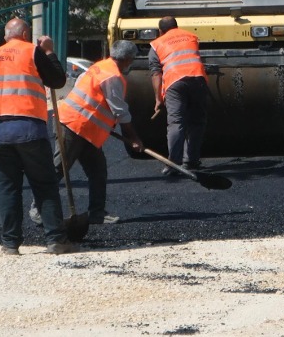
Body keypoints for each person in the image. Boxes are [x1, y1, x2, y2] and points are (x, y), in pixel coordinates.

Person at [0, 17, 69, 254]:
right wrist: (49, 52)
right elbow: (57, 80)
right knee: (44, 185)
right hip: (28, 130)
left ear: (6, 36)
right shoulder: (31, 51)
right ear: (25, 34)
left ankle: (10, 244)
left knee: (7, 189)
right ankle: (55, 240)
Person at [41, 40, 145, 229]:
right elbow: (120, 111)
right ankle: (38, 208)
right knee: (60, 167)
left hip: (87, 129)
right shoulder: (112, 76)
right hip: (73, 125)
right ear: (128, 59)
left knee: (98, 171)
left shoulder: (100, 66)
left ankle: (97, 213)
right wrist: (134, 138)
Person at [149, 16, 209, 175]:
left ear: (160, 31)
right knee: (197, 122)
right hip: (198, 79)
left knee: (176, 123)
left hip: (175, 82)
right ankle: (191, 161)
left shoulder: (156, 44)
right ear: (176, 26)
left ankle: (173, 164)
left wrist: (158, 99)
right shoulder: (191, 36)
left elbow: (156, 74)